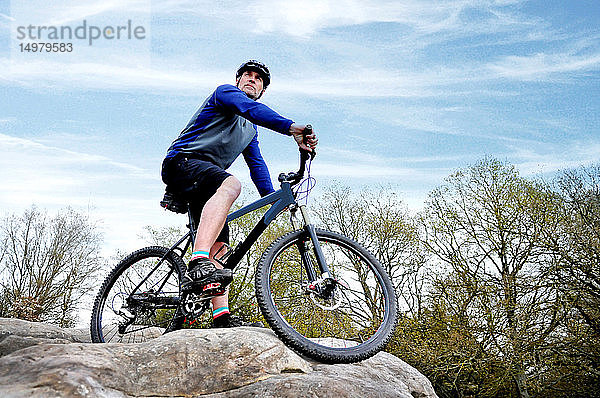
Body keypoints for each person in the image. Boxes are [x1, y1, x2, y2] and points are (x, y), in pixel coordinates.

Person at [161, 60, 318, 328]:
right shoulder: (225, 94)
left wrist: (273, 197)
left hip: (208, 181)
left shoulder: (250, 131)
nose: (251, 79)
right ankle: (198, 259)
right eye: (247, 75)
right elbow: (251, 109)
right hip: (182, 162)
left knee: (221, 247)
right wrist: (293, 128)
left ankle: (220, 317)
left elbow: (256, 165)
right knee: (232, 185)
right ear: (237, 81)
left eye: (258, 79)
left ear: (262, 90)